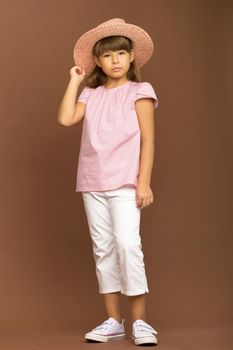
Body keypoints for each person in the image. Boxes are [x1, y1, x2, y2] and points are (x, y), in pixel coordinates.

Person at [58, 18, 159, 346]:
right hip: (92, 182)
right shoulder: (91, 93)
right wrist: (75, 81)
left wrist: (143, 183)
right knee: (103, 249)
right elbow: (65, 118)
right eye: (107, 55)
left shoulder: (140, 91)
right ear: (98, 61)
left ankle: (141, 322)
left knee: (128, 245)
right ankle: (114, 320)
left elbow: (148, 140)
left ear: (132, 57)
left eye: (120, 53)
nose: (114, 60)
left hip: (125, 183)